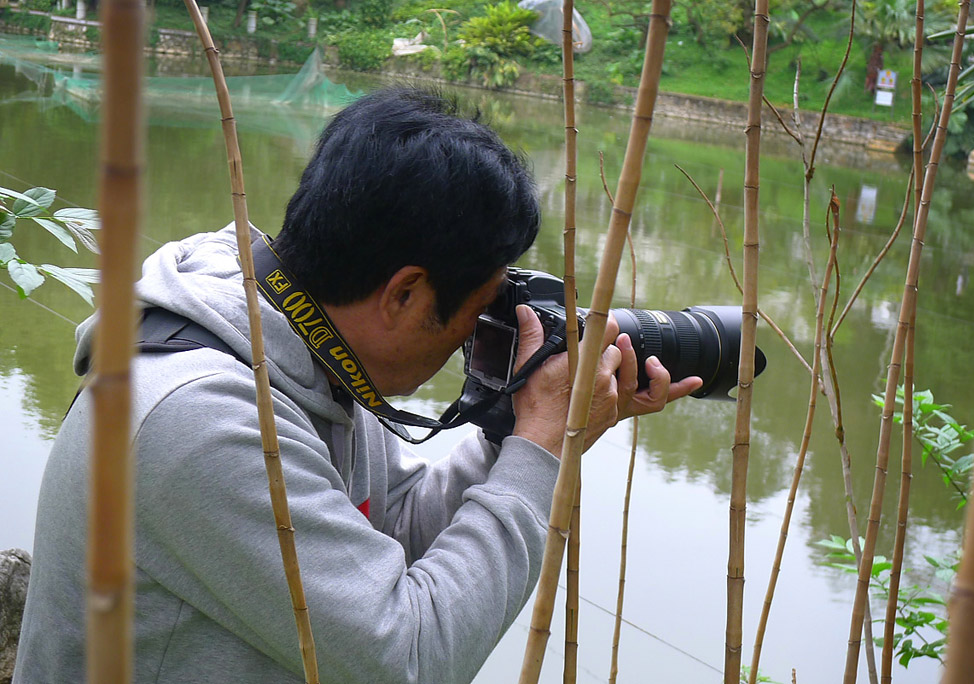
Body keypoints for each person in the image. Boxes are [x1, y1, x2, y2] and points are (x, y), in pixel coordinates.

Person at [14, 87, 699, 683]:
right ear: (403, 294)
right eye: (472, 312)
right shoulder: (198, 419)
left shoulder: (308, 341)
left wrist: (515, 431)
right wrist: (541, 447)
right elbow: (407, 662)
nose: (472, 335)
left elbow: (393, 532)